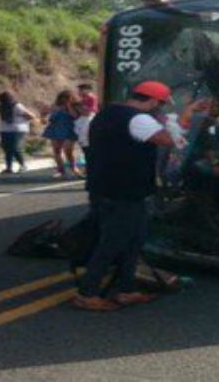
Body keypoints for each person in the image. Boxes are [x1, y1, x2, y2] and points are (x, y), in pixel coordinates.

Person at [73, 81, 179, 312]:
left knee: (134, 241)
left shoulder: (106, 113)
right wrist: (174, 122)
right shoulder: (140, 120)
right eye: (160, 105)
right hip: (124, 192)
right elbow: (170, 140)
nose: (159, 109)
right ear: (152, 101)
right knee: (112, 244)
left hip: (107, 189)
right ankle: (87, 293)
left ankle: (126, 289)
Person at [0, 92, 38, 174]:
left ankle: (23, 165)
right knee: (7, 149)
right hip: (5, 130)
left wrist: (22, 119)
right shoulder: (2, 107)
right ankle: (9, 168)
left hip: (18, 130)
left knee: (15, 148)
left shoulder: (17, 106)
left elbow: (31, 116)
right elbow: (0, 120)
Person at [41, 90, 81, 178]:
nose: (65, 100)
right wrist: (43, 117)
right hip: (55, 129)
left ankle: (74, 168)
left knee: (68, 151)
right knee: (57, 150)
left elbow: (74, 116)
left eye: (67, 98)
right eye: (63, 97)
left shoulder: (75, 106)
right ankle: (60, 170)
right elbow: (44, 114)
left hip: (69, 130)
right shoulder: (55, 106)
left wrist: (69, 105)